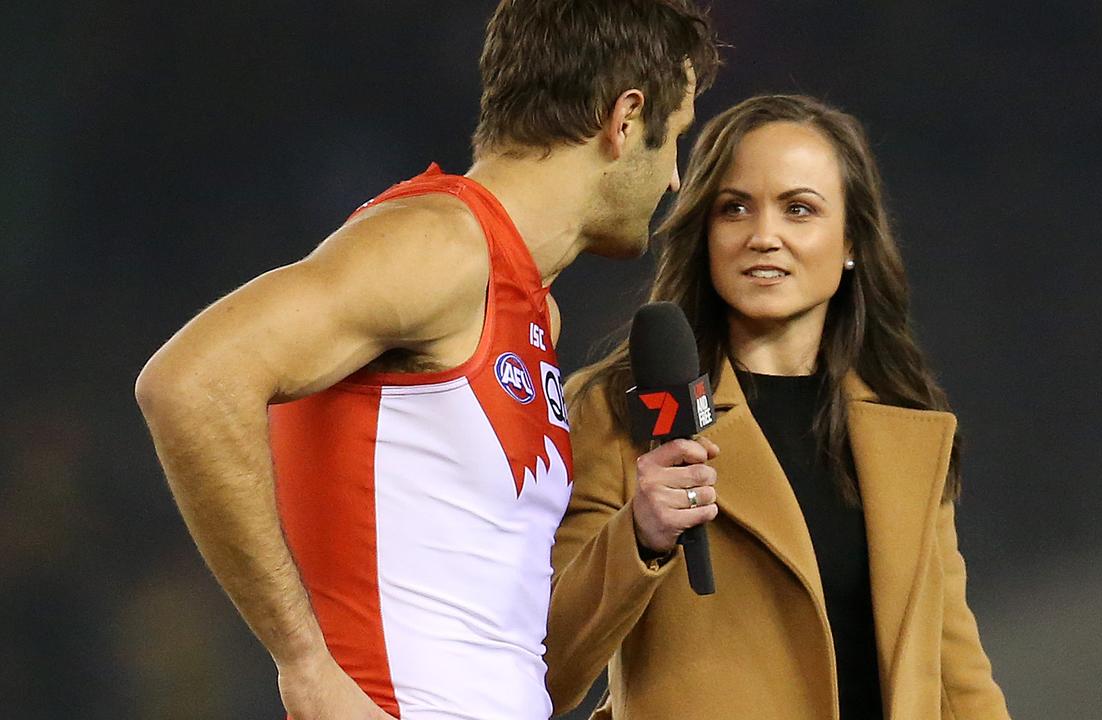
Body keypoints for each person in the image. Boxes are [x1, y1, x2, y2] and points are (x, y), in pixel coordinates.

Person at [133, 2, 719, 718]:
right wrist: (304, 663)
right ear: (625, 120)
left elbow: (485, 630)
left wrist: (638, 536)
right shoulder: (441, 246)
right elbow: (190, 382)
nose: (673, 181)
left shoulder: (529, 306)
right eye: (676, 140)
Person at [546, 95, 1011, 720]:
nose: (764, 237)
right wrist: (640, 536)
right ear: (705, 234)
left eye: (799, 209)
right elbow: (546, 667)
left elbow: (956, 674)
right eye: (734, 209)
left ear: (851, 242)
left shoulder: (907, 426)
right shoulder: (621, 411)